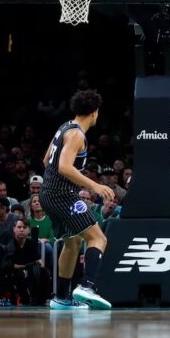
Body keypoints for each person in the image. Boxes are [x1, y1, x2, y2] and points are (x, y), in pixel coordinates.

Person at [39, 90, 115, 310]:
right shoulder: (77, 135)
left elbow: (47, 161)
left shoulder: (64, 128)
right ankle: (87, 287)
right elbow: (63, 167)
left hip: (48, 194)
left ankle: (61, 298)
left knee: (72, 243)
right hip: (62, 196)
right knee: (98, 238)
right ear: (94, 112)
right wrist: (95, 185)